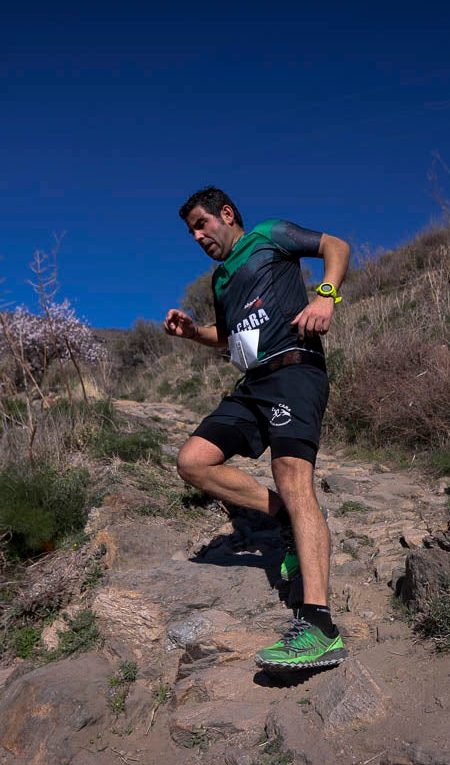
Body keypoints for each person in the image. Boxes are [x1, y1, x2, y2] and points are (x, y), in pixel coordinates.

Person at [164, 185, 351, 672]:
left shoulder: (270, 235)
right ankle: (284, 517)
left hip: (295, 369)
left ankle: (319, 626)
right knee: (193, 462)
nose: (198, 236)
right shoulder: (220, 278)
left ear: (226, 214)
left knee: (293, 475)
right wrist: (192, 333)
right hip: (252, 384)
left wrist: (326, 295)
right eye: (191, 232)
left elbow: (337, 246)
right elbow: (225, 338)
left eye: (202, 225)